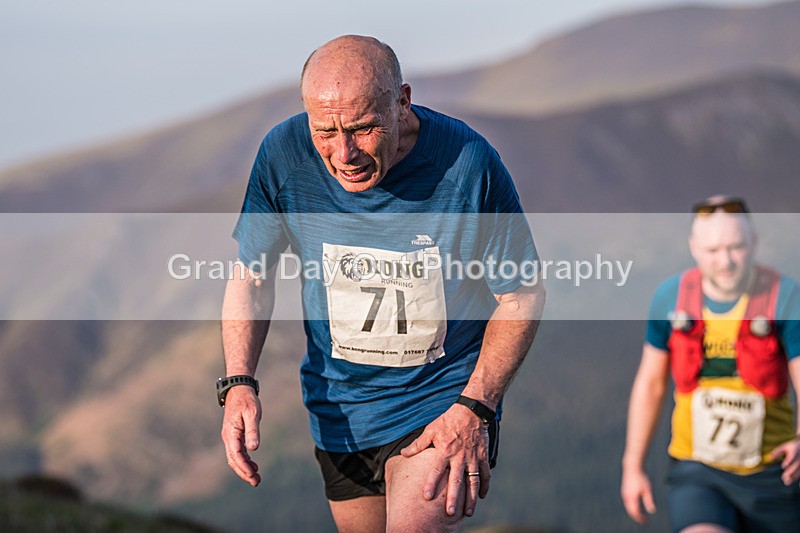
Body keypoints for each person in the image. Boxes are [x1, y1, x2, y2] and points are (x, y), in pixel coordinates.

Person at [219, 35, 545, 532]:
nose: (343, 152)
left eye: (364, 128)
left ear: (402, 102)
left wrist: (476, 405)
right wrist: (239, 382)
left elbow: (521, 294)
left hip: (440, 401)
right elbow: (251, 274)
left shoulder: (467, 164)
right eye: (324, 131)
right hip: (342, 411)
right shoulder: (283, 155)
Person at [621, 195, 800, 533]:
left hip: (774, 473)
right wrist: (632, 466)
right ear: (694, 247)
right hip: (698, 471)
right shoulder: (670, 299)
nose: (726, 261)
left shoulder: (785, 297)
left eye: (736, 247)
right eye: (713, 250)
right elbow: (650, 384)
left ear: (754, 242)